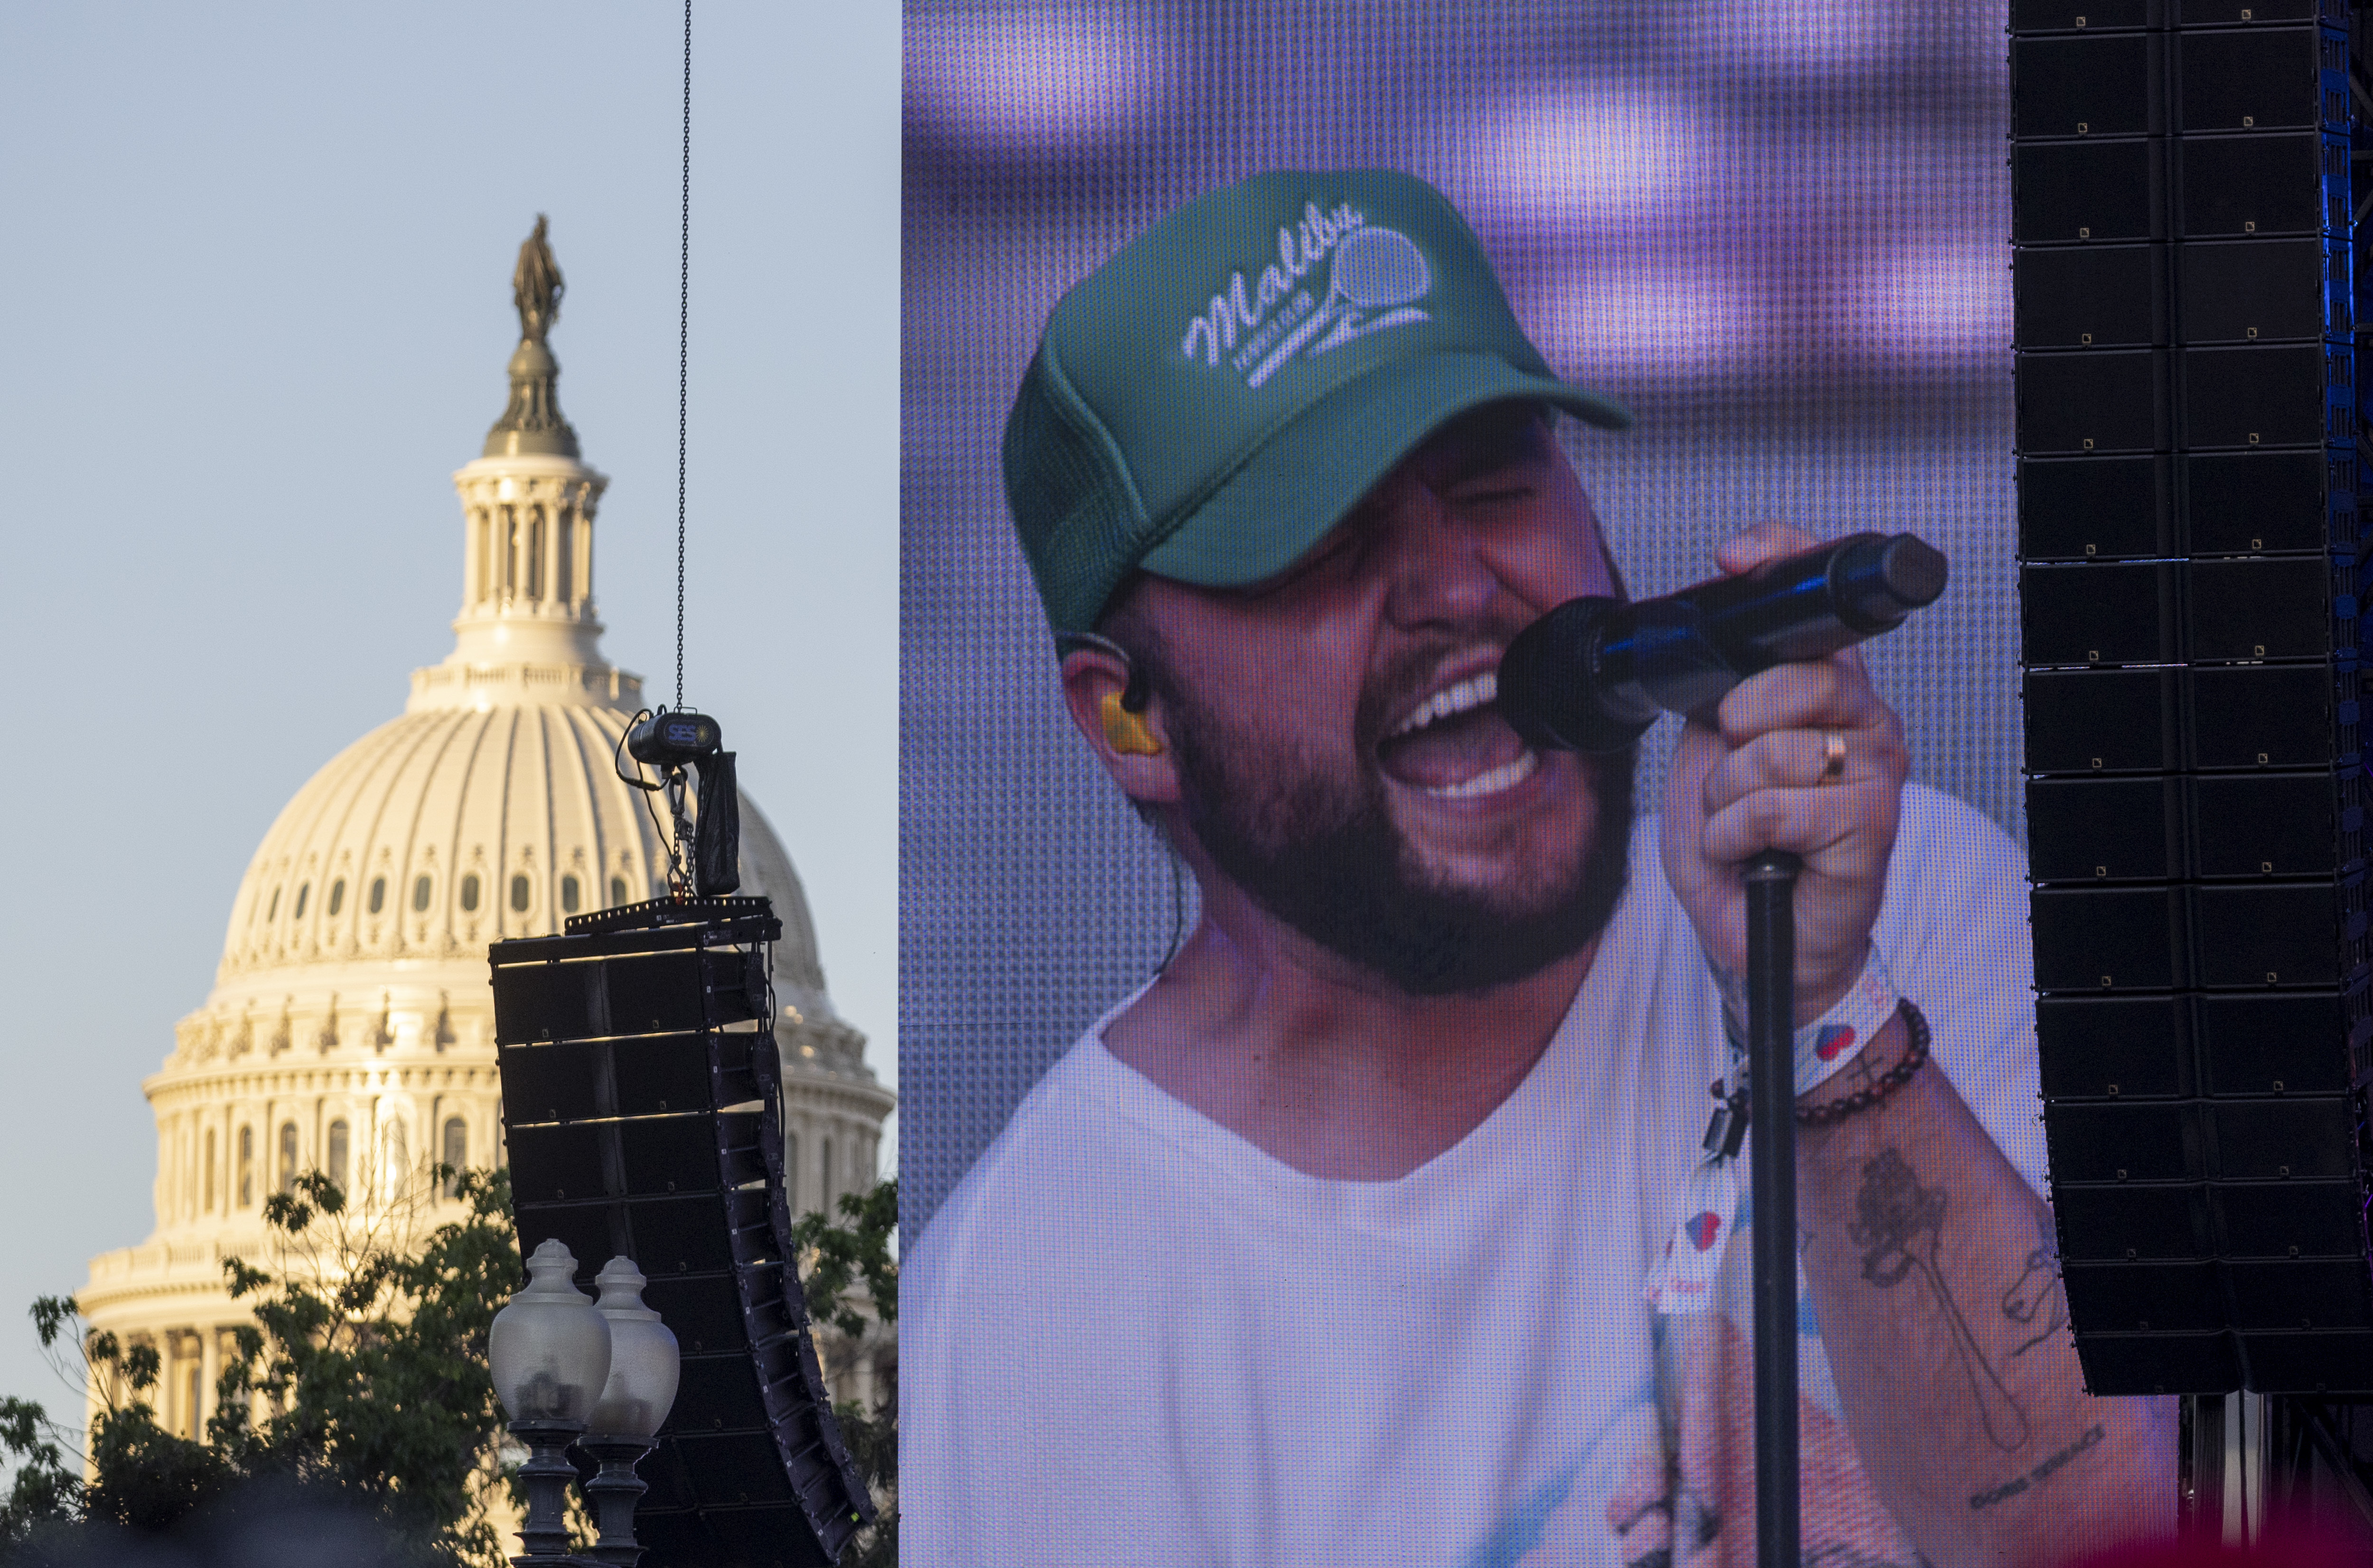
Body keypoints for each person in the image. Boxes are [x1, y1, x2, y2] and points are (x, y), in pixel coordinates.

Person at [904, 168, 2174, 1568]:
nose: (1460, 587)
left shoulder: (1899, 905)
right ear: (1128, 721)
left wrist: (1822, 1011)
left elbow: (2121, 1542)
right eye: (1320, 547)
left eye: (1496, 485)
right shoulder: (1029, 1311)